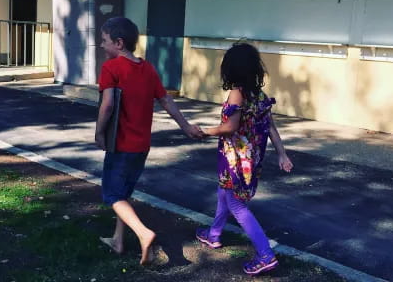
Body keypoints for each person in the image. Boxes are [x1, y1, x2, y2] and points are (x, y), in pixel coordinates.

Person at [95, 17, 203, 265]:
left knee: (112, 195)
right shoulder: (148, 68)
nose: (102, 46)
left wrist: (99, 133)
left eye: (104, 41)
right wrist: (185, 126)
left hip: (119, 145)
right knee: (124, 194)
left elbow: (107, 105)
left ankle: (144, 233)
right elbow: (166, 100)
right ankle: (118, 240)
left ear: (119, 43)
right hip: (141, 146)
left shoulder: (111, 68)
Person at [196, 43, 293, 276]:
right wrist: (282, 153)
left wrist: (203, 130)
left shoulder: (237, 93)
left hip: (236, 160)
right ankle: (214, 235)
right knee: (225, 193)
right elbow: (269, 126)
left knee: (237, 204)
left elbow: (230, 126)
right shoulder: (258, 95)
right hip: (251, 159)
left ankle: (265, 255)